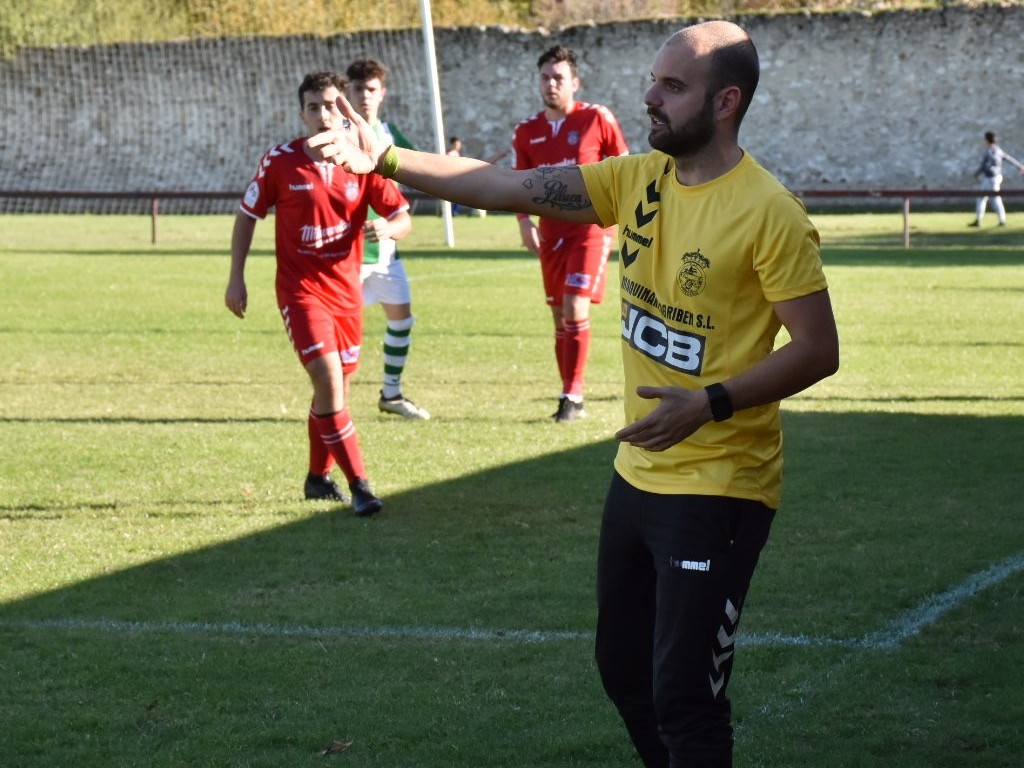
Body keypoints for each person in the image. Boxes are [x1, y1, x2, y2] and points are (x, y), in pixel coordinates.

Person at [312, 19, 840, 767]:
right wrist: (388, 158)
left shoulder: (769, 213)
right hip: (636, 478)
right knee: (623, 672)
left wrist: (710, 401)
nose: (650, 96)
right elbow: (503, 185)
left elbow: (819, 351)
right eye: (655, 79)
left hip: (722, 486)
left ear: (726, 101)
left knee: (688, 699)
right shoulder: (637, 180)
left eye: (672, 86)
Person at [225, 71, 412, 516]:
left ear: (342, 108)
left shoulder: (362, 159)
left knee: (335, 392)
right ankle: (361, 485)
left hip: (347, 294)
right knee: (329, 381)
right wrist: (236, 277)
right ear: (301, 112)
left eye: (330, 105)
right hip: (300, 292)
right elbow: (247, 214)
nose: (323, 114)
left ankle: (316, 477)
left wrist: (388, 227)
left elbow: (403, 216)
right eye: (313, 106)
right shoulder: (281, 161)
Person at [512, 45, 629, 423]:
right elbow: (519, 183)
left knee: (575, 306)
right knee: (559, 317)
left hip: (590, 230)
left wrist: (628, 218)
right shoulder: (527, 131)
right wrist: (524, 223)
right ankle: (567, 390)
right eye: (545, 77)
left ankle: (572, 397)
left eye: (559, 77)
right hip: (550, 233)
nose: (551, 84)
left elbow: (624, 167)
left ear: (575, 82)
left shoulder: (597, 118)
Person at [345, 58, 430, 420]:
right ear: (347, 92)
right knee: (343, 332)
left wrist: (450, 162)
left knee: (402, 319)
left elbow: (421, 165)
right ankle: (336, 405)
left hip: (387, 247)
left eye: (371, 89)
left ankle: (390, 394)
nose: (364, 95)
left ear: (383, 93)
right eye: (358, 88)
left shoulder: (390, 132)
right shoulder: (341, 133)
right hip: (350, 252)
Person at [969, 130, 1024, 228]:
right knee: (981, 198)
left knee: (995, 199)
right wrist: (1019, 165)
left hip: (992, 178)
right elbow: (1008, 158)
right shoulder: (998, 150)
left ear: (987, 140)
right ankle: (978, 220)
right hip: (990, 178)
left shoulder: (991, 151)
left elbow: (985, 165)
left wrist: (976, 174)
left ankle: (1002, 221)